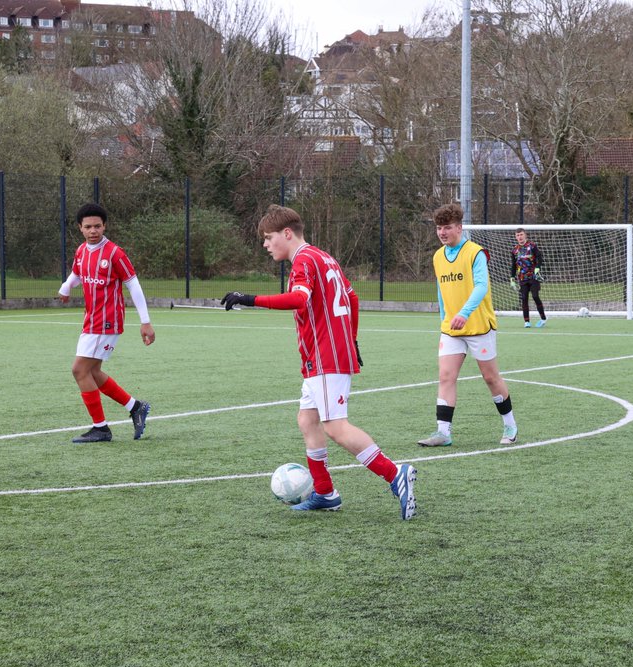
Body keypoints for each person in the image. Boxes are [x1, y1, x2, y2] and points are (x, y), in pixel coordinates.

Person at [221, 204, 417, 520]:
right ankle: (325, 493)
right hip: (325, 355)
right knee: (307, 420)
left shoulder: (303, 261)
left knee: (336, 427)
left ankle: (396, 474)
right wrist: (351, 340)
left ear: (287, 234)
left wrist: (249, 299)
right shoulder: (324, 257)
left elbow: (299, 299)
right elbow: (351, 298)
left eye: (268, 237)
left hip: (326, 356)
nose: (265, 244)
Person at [418, 202, 519, 447]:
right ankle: (443, 433)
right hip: (451, 328)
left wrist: (464, 312)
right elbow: (442, 290)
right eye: (439, 228)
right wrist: (445, 317)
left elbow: (481, 286)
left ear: (460, 228)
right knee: (445, 376)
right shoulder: (438, 256)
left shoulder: (475, 252)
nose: (442, 232)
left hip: (478, 326)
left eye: (447, 227)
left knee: (490, 377)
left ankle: (510, 424)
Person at [57, 202, 153, 443]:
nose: (93, 231)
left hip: (107, 321)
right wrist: (66, 287)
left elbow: (133, 284)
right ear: (80, 228)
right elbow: (77, 274)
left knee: (79, 370)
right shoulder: (81, 251)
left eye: (97, 226)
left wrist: (145, 322)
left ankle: (100, 428)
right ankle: (135, 407)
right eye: (88, 226)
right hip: (91, 319)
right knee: (93, 372)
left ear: (104, 226)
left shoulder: (114, 253)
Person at [511, 227, 546, 328]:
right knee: (524, 298)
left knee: (535, 296)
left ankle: (543, 318)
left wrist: (538, 268)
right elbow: (513, 265)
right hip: (522, 278)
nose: (520, 237)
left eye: (521, 234)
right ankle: (527, 321)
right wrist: (512, 278)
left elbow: (539, 257)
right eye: (517, 235)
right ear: (516, 237)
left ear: (525, 235)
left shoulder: (532, 246)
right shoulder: (514, 250)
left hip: (533, 277)